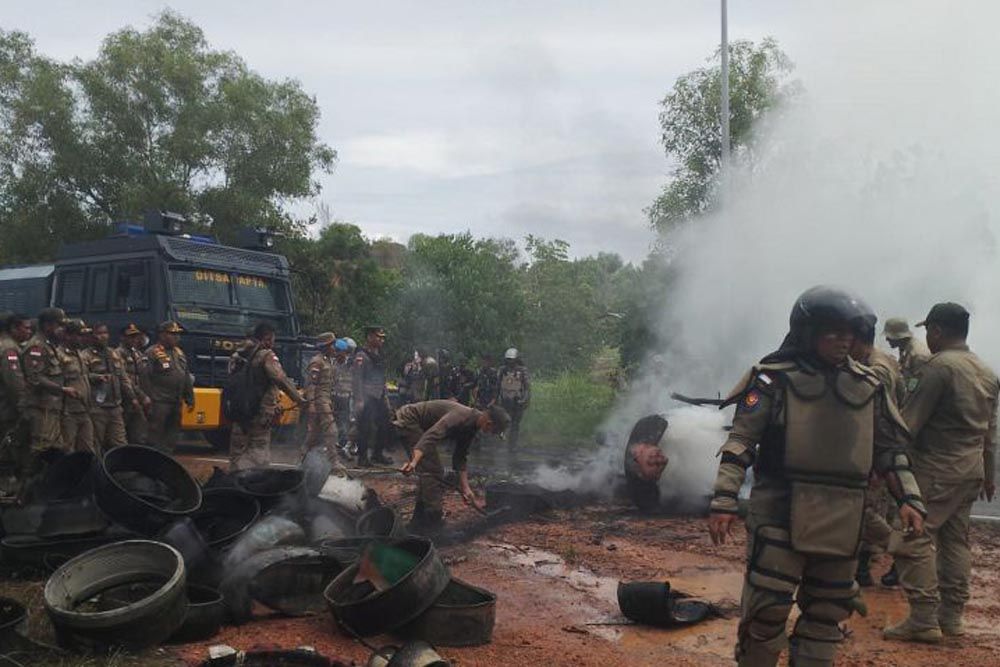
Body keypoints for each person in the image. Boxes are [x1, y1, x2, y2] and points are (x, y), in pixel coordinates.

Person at [708, 286, 926, 667]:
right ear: (808, 332)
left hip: (843, 522)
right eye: (833, 331)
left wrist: (910, 500)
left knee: (826, 616)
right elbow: (740, 442)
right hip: (779, 514)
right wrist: (724, 499)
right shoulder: (772, 381)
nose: (845, 340)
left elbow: (890, 452)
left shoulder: (868, 386)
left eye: (850, 332)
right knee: (766, 614)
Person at [885, 302, 999, 643]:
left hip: (936, 470)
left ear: (936, 330)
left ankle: (922, 618)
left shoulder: (938, 368)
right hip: (971, 471)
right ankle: (951, 617)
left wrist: (885, 458)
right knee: (955, 543)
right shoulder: (985, 371)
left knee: (909, 537)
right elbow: (990, 434)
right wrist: (989, 475)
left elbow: (908, 424)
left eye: (928, 331)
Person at [850, 305, 906, 587]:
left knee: (866, 511)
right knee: (873, 509)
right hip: (885, 448)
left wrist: (873, 460)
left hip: (877, 449)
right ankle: (863, 567)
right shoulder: (887, 360)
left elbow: (875, 418)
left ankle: (905, 553)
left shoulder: (875, 369)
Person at [397, 400, 510, 531]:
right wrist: (414, 462)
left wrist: (466, 488)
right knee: (434, 471)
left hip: (421, 428)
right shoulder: (460, 416)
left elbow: (460, 457)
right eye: (494, 432)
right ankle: (434, 521)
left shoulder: (472, 425)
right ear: (489, 424)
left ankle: (418, 522)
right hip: (409, 419)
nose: (491, 434)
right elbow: (431, 437)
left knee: (429, 472)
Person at [228, 322, 304, 470]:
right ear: (267, 338)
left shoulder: (237, 355)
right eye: (272, 339)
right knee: (259, 452)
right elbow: (280, 379)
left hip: (238, 411)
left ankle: (233, 481)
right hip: (259, 413)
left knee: (237, 450)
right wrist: (298, 399)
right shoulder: (266, 355)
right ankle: (251, 484)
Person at [22, 308, 74, 462]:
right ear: (47, 325)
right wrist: (61, 389)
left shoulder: (48, 345)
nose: (61, 329)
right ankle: (30, 482)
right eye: (59, 325)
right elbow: (35, 377)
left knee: (55, 449)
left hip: (51, 408)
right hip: (40, 407)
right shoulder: (36, 347)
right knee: (40, 450)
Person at [85, 322, 138, 451]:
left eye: (105, 333)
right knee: (96, 442)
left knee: (120, 443)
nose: (103, 336)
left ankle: (120, 469)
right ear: (92, 336)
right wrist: (96, 377)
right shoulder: (85, 355)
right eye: (99, 333)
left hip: (115, 407)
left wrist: (133, 397)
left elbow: (123, 377)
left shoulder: (114, 354)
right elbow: (82, 377)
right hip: (97, 408)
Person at [143, 321, 194, 452]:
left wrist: (190, 397)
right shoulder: (152, 352)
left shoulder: (179, 353)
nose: (177, 337)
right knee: (154, 434)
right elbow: (145, 377)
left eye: (178, 334)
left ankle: (166, 460)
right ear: (162, 335)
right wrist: (147, 398)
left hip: (176, 401)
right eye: (172, 334)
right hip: (159, 401)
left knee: (172, 435)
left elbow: (185, 375)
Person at [352, 326, 393, 466]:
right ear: (369, 337)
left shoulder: (379, 355)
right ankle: (362, 458)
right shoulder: (361, 356)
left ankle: (377, 453)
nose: (381, 340)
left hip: (379, 395)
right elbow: (357, 378)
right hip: (367, 395)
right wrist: (359, 400)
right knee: (365, 427)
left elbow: (382, 377)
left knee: (384, 424)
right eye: (378, 337)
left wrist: (385, 396)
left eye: (382, 337)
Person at [0, 313, 30, 492]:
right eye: (24, 328)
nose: (28, 331)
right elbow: (15, 384)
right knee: (9, 448)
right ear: (12, 328)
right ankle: (7, 488)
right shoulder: (9, 349)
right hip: (7, 409)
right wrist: (24, 408)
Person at [302, 332, 339, 462]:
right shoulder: (317, 362)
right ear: (326, 346)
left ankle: (303, 458)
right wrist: (311, 404)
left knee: (313, 434)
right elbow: (311, 385)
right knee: (331, 431)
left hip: (325, 400)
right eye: (332, 345)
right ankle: (334, 462)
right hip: (319, 401)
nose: (335, 348)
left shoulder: (327, 361)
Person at [59, 320, 94, 452]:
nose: (83, 338)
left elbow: (82, 376)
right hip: (68, 412)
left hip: (84, 409)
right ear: (68, 336)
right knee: (67, 449)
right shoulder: (59, 355)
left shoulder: (79, 354)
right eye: (79, 335)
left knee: (87, 449)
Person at [117, 323, 151, 444]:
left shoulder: (137, 354)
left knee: (138, 435)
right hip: (125, 399)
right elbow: (125, 379)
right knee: (121, 435)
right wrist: (141, 396)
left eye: (135, 336)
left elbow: (143, 377)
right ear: (122, 337)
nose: (134, 339)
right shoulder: (118, 354)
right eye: (130, 336)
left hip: (138, 400)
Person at [883, 317, 931, 390]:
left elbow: (917, 383)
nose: (886, 339)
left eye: (889, 336)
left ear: (898, 337)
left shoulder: (917, 355)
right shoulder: (904, 348)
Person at [497, 348, 530, 447]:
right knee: (504, 422)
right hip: (505, 401)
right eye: (508, 359)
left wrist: (524, 400)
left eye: (511, 359)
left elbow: (527, 387)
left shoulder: (522, 370)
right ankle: (500, 442)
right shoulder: (502, 370)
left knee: (515, 424)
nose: (509, 361)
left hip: (517, 401)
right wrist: (497, 399)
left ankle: (512, 444)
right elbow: (497, 385)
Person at [332, 338, 354, 453]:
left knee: (348, 421)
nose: (336, 354)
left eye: (339, 351)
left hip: (348, 397)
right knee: (338, 420)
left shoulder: (352, 364)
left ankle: (349, 444)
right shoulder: (333, 363)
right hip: (336, 396)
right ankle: (341, 442)